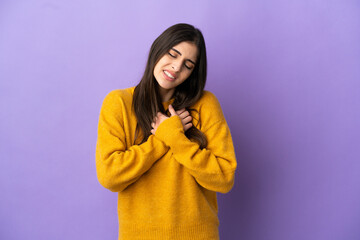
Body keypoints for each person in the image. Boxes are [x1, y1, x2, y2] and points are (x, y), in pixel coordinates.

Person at [95, 23, 237, 240]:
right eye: (173, 54)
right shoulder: (119, 103)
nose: (176, 67)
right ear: (158, 49)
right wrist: (162, 138)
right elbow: (110, 176)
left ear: (192, 72)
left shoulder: (206, 104)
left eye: (188, 65)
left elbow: (224, 178)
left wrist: (175, 138)